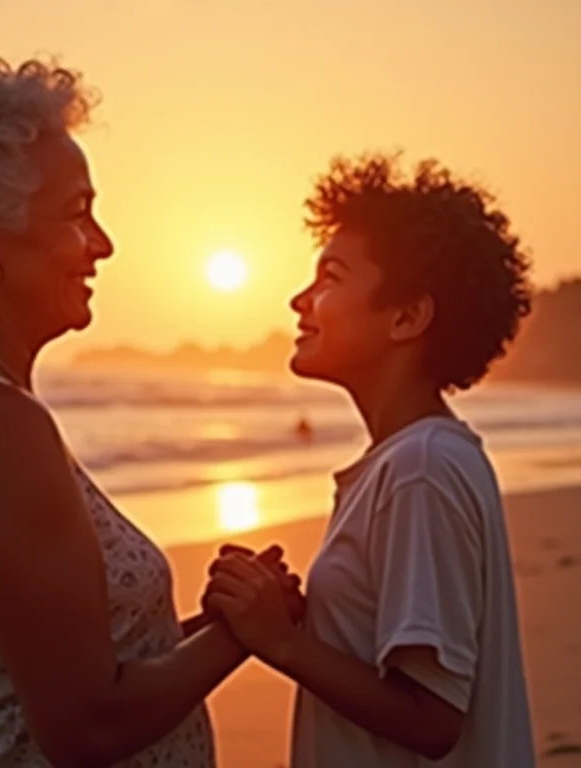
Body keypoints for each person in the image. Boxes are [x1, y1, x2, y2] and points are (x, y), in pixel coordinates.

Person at [0, 54, 302, 768]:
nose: (103, 244)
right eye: (76, 212)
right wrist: (243, 636)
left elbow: (34, 677)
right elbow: (86, 727)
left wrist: (218, 624)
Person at [206, 153, 536, 767]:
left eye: (329, 278)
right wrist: (297, 620)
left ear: (407, 317)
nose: (299, 300)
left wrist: (278, 641)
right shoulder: (411, 461)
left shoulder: (420, 470)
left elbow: (433, 718)